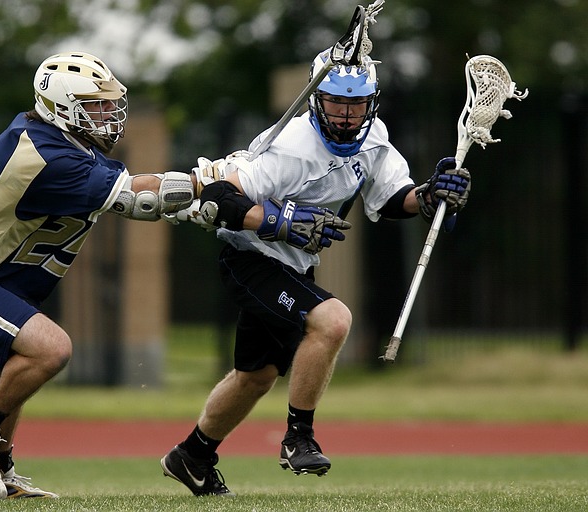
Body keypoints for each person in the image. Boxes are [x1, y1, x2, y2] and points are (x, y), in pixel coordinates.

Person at [159, 47, 471, 496]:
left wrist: (427, 195)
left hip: (294, 268)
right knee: (333, 319)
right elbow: (220, 196)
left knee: (256, 376)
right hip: (250, 258)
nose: (346, 116)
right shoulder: (289, 148)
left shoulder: (375, 139)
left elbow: (391, 197)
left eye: (356, 104)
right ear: (315, 100)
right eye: (336, 103)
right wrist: (280, 220)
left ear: (371, 103)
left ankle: (192, 456)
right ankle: (297, 437)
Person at [0, 51, 198, 500]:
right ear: (62, 103)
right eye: (95, 103)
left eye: (107, 103)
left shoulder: (63, 144)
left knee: (9, 365)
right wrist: (211, 182)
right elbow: (140, 199)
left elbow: (140, 187)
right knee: (51, 349)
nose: (107, 113)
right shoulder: (47, 154)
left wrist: (209, 203)